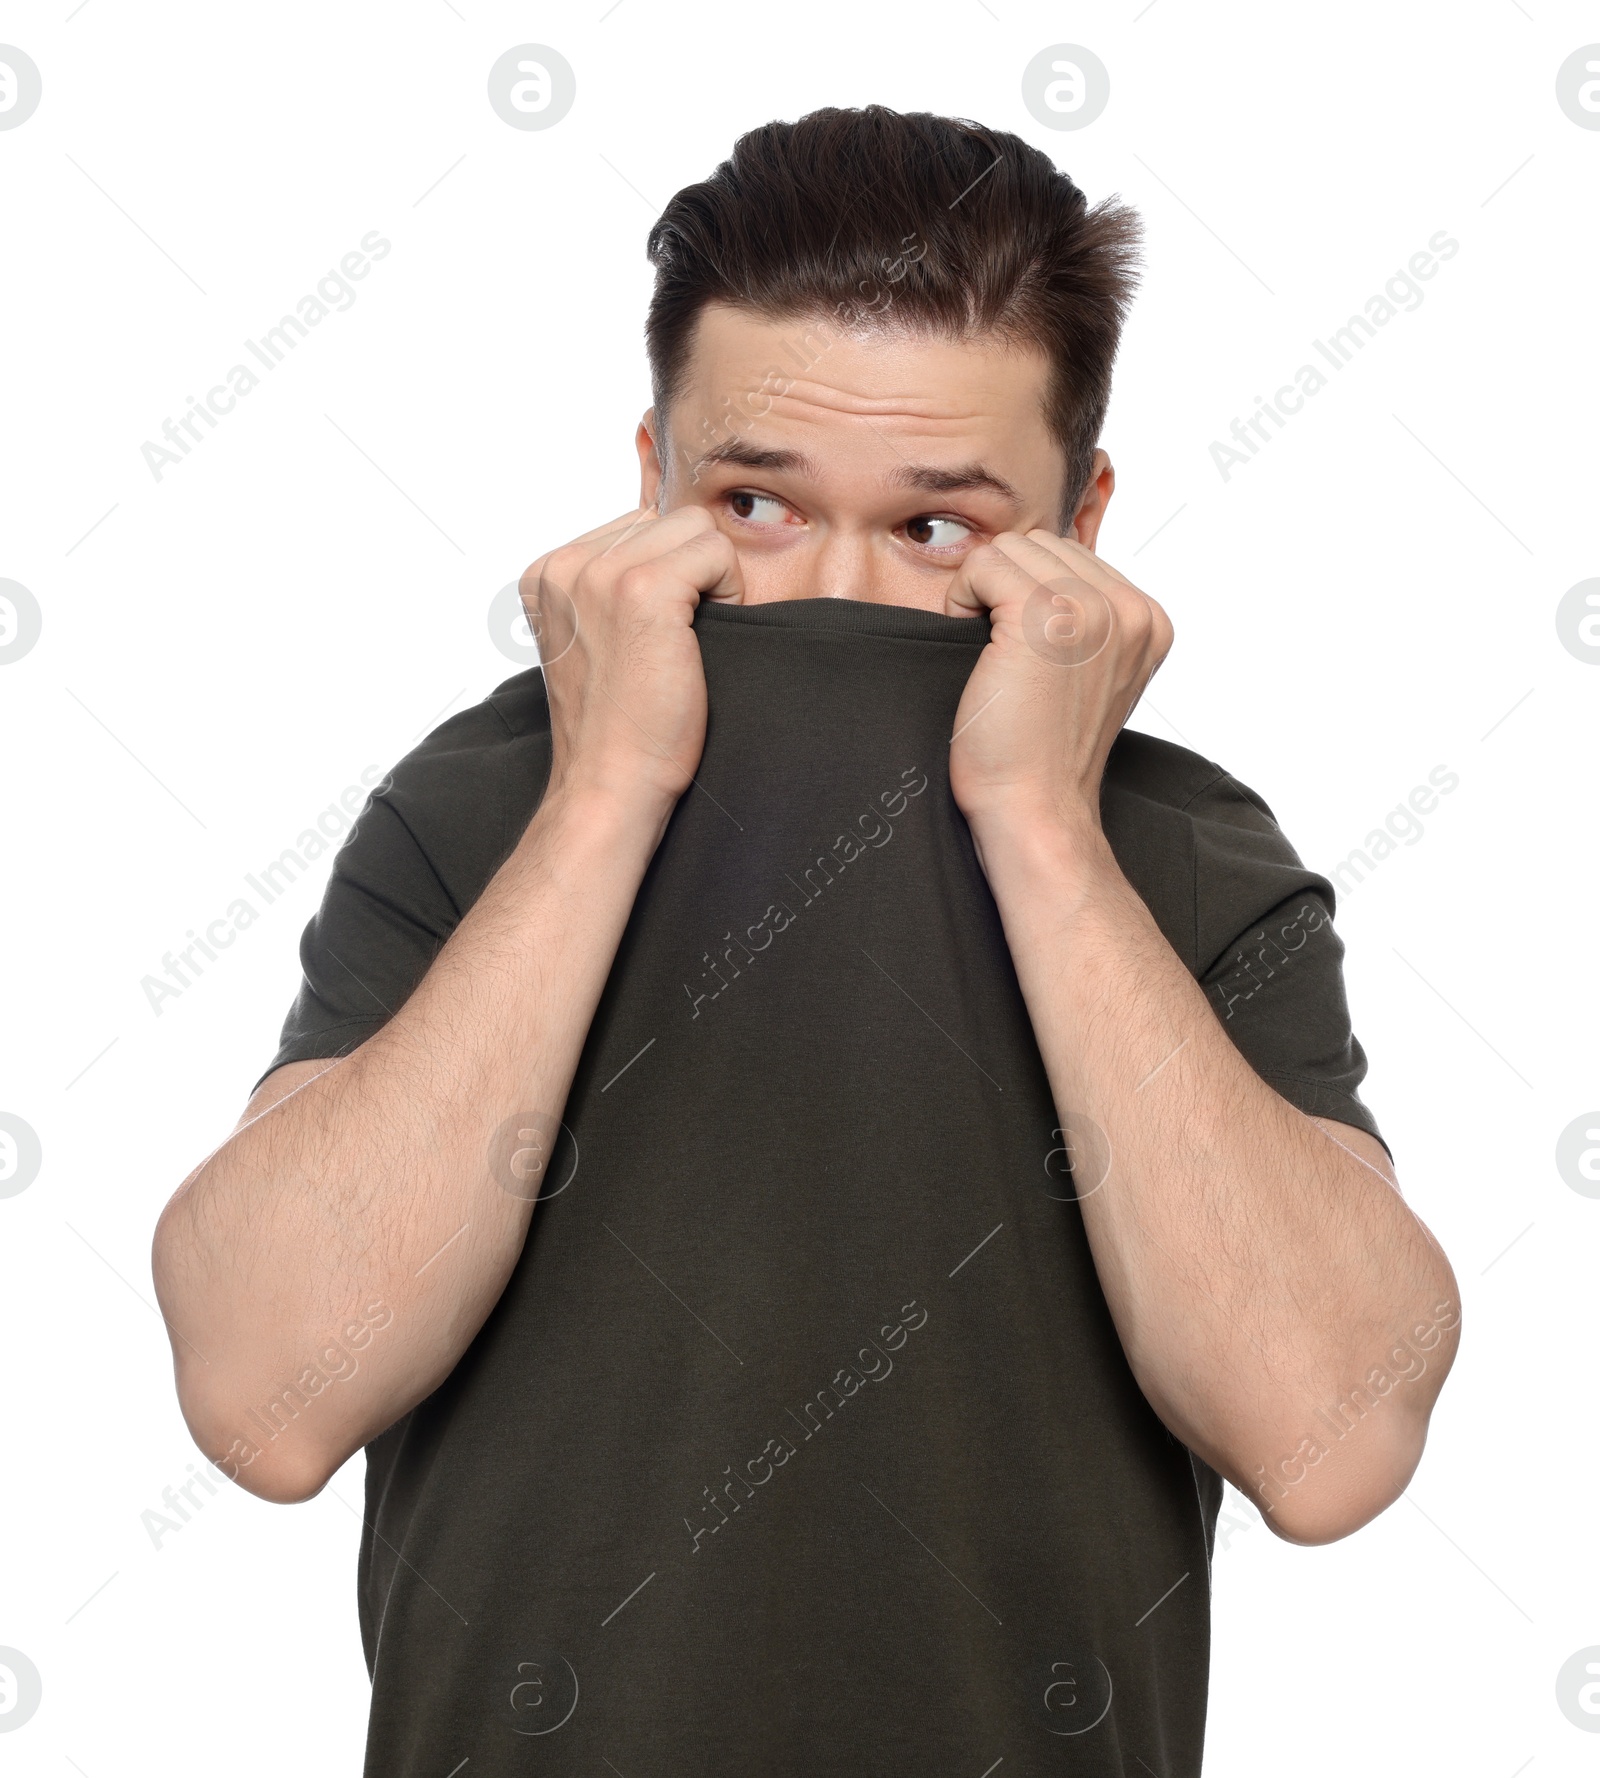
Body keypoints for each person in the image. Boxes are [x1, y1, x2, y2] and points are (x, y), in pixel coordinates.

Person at [151, 106, 1459, 1776]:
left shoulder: (1181, 848)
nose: (836, 596)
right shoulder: (483, 804)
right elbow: (268, 1393)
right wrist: (608, 786)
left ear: (1084, 522)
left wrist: (1044, 830)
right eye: (757, 506)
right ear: (647, 486)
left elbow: (1325, 1441)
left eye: (936, 531)